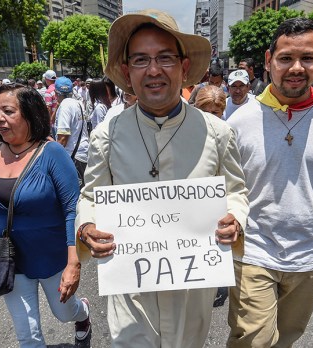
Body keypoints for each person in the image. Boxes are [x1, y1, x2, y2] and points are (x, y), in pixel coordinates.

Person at [76, 9, 249, 347]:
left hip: (192, 287)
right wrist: (87, 227)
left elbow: (236, 191)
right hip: (131, 290)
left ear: (184, 67)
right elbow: (92, 195)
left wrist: (235, 219)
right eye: (140, 60)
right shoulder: (106, 135)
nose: (153, 70)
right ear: (127, 71)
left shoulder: (217, 133)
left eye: (164, 58)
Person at [226, 18, 313, 348]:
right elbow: (223, 187)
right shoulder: (240, 122)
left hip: (312, 257)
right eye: (285, 58)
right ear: (268, 61)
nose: (296, 68)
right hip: (253, 252)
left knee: (285, 340)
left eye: (306, 58)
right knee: (252, 339)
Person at [0, 83, 91, 347]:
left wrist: (73, 262)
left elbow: (72, 208)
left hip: (51, 255)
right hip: (9, 258)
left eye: (8, 111)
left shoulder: (52, 153)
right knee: (27, 334)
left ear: (30, 113)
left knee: (64, 313)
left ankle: (83, 314)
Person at [55, 77, 89, 188]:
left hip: (72, 156)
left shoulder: (65, 105)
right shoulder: (77, 103)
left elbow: (63, 137)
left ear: (56, 93)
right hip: (82, 153)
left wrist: (55, 158)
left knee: (74, 191)